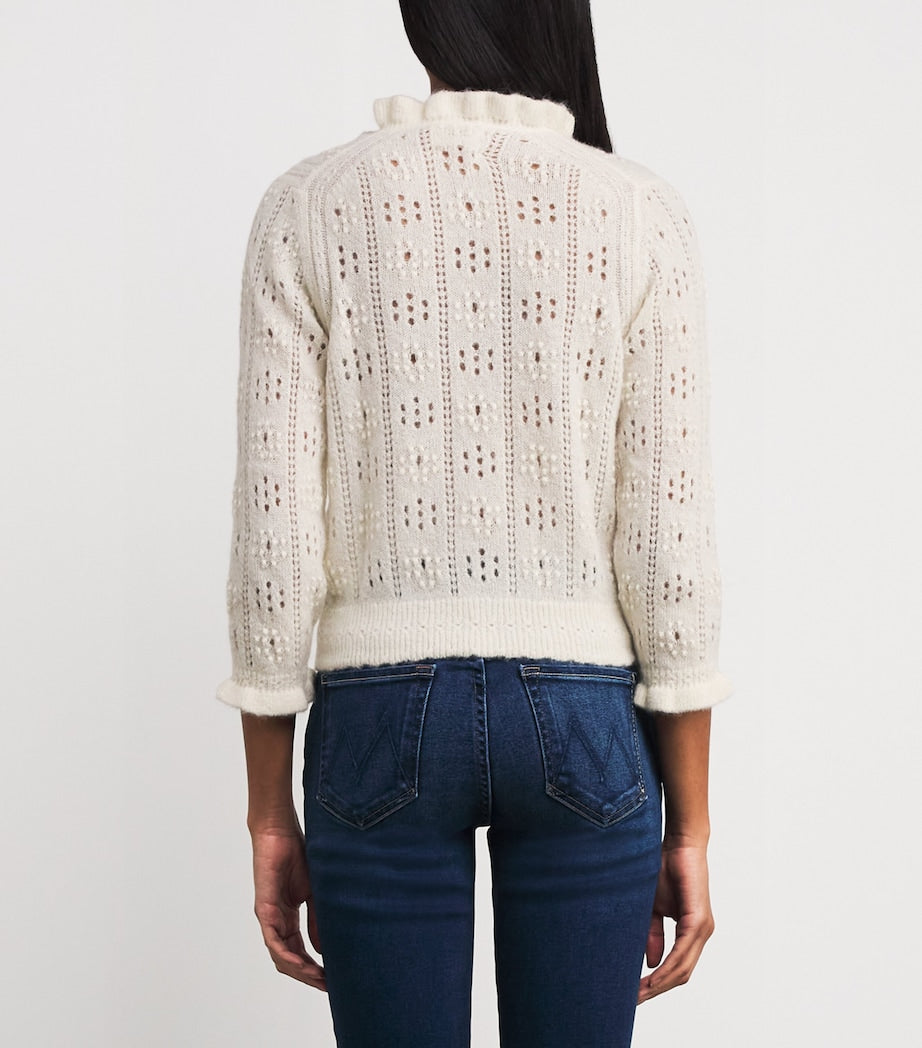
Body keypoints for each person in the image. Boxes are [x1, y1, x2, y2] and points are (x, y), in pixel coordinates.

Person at [215, 2, 733, 1044]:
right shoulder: (638, 210)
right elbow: (667, 550)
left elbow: (276, 546)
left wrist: (269, 813)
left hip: (375, 720)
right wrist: (691, 824)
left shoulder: (309, 205)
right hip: (584, 720)